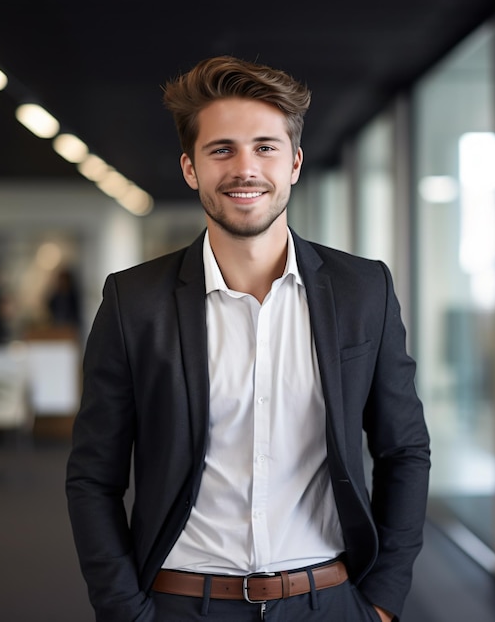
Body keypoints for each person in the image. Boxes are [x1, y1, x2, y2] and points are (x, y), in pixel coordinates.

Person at [66, 55, 430, 622]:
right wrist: (123, 611)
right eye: (222, 149)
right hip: (182, 604)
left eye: (265, 147)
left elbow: (404, 450)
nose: (245, 168)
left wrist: (383, 599)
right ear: (191, 168)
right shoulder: (133, 302)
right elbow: (93, 474)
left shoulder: (365, 290)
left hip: (328, 602)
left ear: (295, 163)